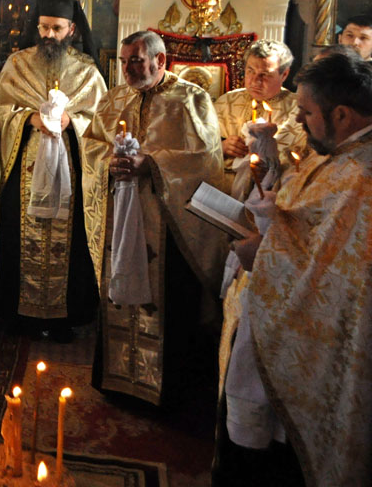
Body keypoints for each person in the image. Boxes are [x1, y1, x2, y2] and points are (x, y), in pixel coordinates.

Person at [226, 50, 372, 487]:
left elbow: (341, 276)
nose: (302, 123)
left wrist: (262, 257)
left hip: (316, 351)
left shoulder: (360, 177)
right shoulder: (345, 154)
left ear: (341, 114)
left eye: (307, 113)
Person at [83, 30, 226, 407]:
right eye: (124, 61)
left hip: (168, 224)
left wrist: (153, 164)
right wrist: (107, 164)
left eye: (136, 60)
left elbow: (205, 160)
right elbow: (91, 145)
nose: (128, 69)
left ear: (160, 61)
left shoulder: (190, 99)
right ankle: (119, 383)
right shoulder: (114, 99)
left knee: (171, 302)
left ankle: (168, 394)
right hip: (121, 216)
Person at [0, 0, 107, 338]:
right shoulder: (18, 63)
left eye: (56, 28)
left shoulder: (86, 70)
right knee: (17, 236)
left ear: (71, 30)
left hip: (69, 170)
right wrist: (28, 118)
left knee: (69, 243)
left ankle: (62, 319)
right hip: (23, 168)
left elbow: (100, 120)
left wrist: (74, 121)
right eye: (44, 27)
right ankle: (19, 315)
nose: (49, 35)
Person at [214, 40, 307, 197]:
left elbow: (304, 160)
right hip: (222, 193)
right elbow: (198, 148)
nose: (255, 81)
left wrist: (269, 162)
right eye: (250, 71)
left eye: (265, 75)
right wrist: (221, 148)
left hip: (273, 194)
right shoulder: (226, 101)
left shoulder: (299, 109)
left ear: (284, 74)